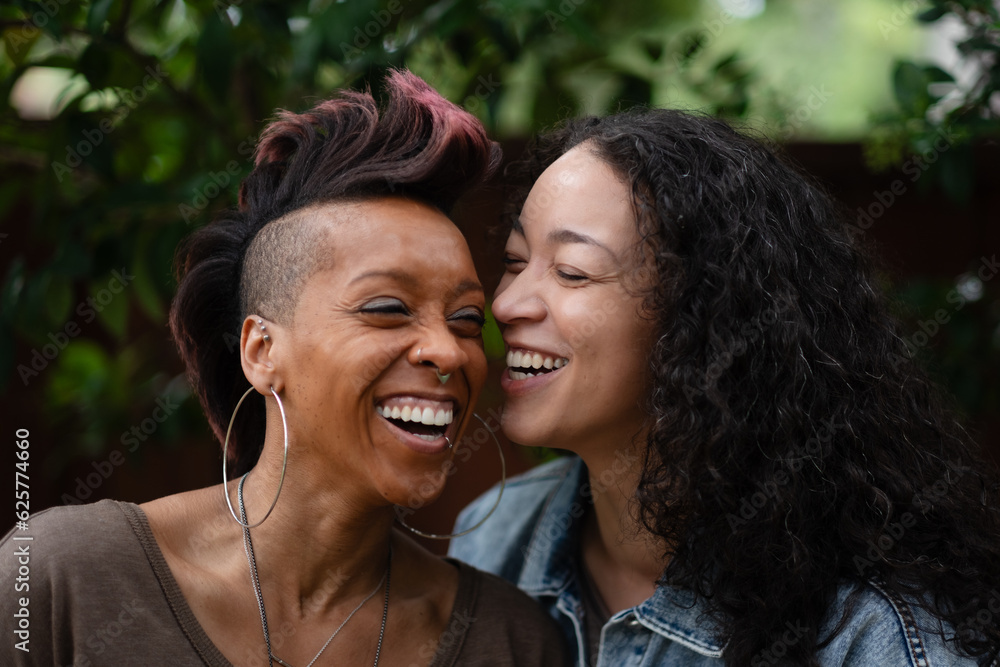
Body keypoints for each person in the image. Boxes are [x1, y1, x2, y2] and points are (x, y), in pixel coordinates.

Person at [0, 70, 568, 667]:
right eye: (388, 308)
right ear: (261, 352)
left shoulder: (510, 643)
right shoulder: (62, 578)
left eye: (467, 320)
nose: (449, 352)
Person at [449, 108, 1000, 666]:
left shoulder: (870, 634)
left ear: (705, 321)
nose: (506, 303)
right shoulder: (492, 537)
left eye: (572, 272)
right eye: (516, 261)